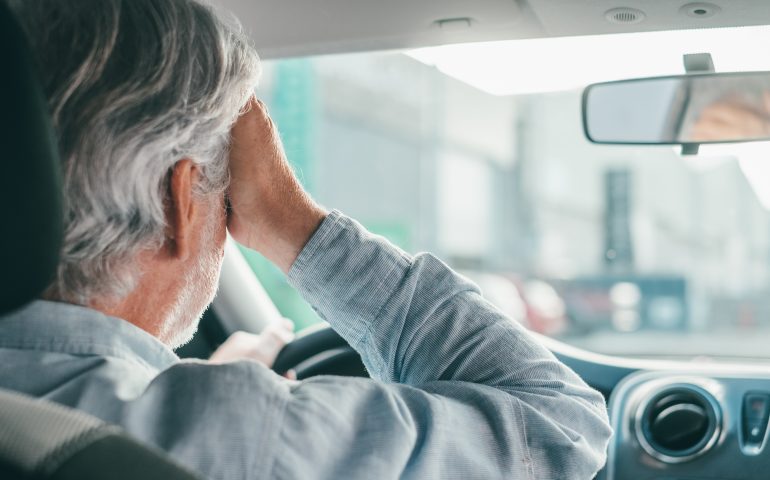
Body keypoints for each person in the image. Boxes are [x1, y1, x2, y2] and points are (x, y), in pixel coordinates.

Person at [0, 0, 612, 478]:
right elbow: (559, 429)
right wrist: (296, 224)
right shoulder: (243, 431)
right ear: (179, 202)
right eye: (228, 195)